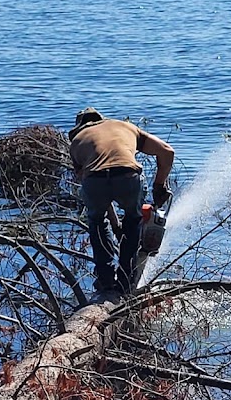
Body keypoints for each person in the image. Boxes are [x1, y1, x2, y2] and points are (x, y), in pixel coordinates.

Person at [68, 107, 174, 293]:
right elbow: (166, 151)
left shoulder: (77, 141)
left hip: (94, 181)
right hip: (128, 177)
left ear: (80, 125)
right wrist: (159, 185)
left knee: (97, 223)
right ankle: (126, 279)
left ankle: (106, 279)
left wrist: (116, 228)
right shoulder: (126, 127)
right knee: (133, 221)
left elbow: (97, 186)